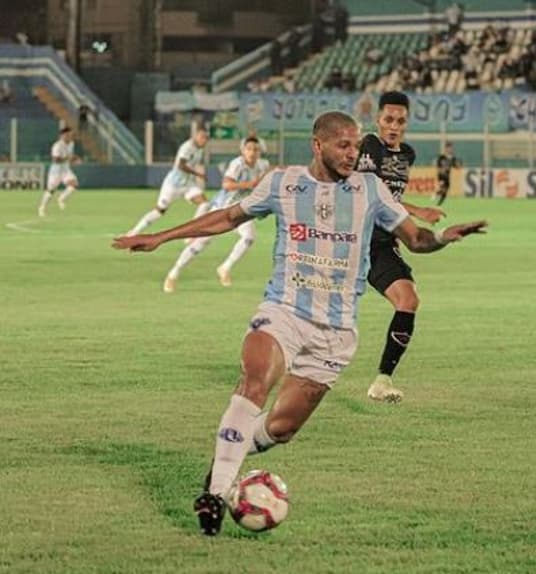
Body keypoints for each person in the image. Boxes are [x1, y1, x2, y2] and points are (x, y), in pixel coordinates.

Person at [112, 111, 487, 537]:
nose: (354, 154)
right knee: (255, 380)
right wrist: (160, 237)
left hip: (337, 330)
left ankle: (227, 458)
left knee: (281, 428)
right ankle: (215, 493)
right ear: (318, 145)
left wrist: (442, 239)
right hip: (284, 311)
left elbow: (416, 239)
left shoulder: (370, 190)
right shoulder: (283, 183)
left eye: (357, 146)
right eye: (343, 146)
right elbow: (228, 217)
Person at [356, 91, 445, 403]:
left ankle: (382, 381)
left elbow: (388, 199)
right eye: (388, 119)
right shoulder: (369, 145)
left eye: (400, 121)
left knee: (408, 299)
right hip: (351, 239)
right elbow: (370, 193)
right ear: (378, 120)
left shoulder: (407, 154)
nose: (394, 126)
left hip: (381, 242)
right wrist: (417, 211)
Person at [162, 136, 270, 293]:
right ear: (242, 151)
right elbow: (226, 184)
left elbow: (268, 177)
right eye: (249, 149)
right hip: (223, 209)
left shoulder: (262, 165)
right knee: (200, 243)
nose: (252, 152)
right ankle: (173, 274)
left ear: (260, 152)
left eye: (255, 149)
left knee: (249, 237)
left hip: (241, 210)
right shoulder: (237, 164)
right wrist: (248, 185)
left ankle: (224, 268)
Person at [125, 127, 209, 236]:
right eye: (203, 138)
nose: (205, 141)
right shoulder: (187, 147)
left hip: (188, 185)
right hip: (173, 184)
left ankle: (193, 232)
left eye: (206, 139)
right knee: (159, 211)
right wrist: (198, 174)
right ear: (196, 136)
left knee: (204, 203)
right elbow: (181, 165)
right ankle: (134, 232)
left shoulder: (200, 150)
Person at [38, 127, 80, 217]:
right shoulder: (57, 146)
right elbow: (55, 159)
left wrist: (75, 159)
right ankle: (42, 207)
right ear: (62, 136)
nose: (70, 137)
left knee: (74, 184)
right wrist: (68, 158)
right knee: (50, 191)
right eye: (68, 135)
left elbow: (70, 156)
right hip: (56, 171)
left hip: (65, 170)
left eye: (71, 135)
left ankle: (61, 198)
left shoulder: (71, 144)